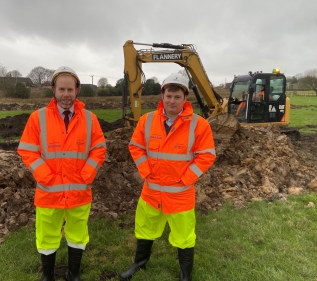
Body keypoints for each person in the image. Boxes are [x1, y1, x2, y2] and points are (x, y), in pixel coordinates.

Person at [119, 73, 216, 281]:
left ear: (185, 98)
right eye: (168, 95)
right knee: (144, 230)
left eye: (177, 97)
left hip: (180, 193)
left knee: (184, 237)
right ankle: (139, 264)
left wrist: (186, 178)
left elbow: (207, 155)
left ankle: (185, 274)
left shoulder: (199, 125)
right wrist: (146, 171)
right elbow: (136, 147)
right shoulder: (147, 120)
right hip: (152, 191)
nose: (172, 101)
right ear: (162, 95)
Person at [17, 66, 106, 281]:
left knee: (78, 235)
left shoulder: (90, 118)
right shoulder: (38, 118)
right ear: (53, 90)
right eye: (61, 89)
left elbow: (99, 149)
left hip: (79, 191)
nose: (66, 94)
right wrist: (46, 177)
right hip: (49, 192)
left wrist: (86, 176)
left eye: (70, 90)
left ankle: (73, 274)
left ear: (78, 90)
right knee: (47, 236)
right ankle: (48, 276)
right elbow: (27, 150)